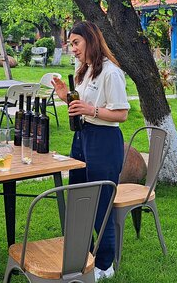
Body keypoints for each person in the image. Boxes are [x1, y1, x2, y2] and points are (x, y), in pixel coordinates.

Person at [52, 21, 130, 280]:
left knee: (100, 203)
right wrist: (66, 96)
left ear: (91, 41)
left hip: (105, 141)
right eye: (70, 44)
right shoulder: (84, 71)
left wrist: (91, 110)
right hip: (82, 138)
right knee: (79, 197)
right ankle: (81, 256)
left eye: (76, 43)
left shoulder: (111, 72)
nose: (72, 48)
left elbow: (121, 114)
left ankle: (105, 265)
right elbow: (82, 105)